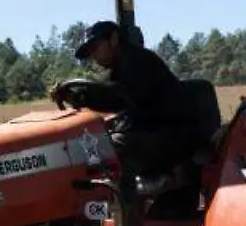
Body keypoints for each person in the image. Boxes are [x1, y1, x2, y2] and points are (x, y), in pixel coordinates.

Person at [53, 20, 201, 183]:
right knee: (91, 145)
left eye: (95, 48)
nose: (94, 57)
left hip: (172, 133)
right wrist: (77, 97)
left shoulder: (138, 61)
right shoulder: (120, 69)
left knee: (106, 150)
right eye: (91, 53)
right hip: (151, 130)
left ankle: (124, 204)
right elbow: (113, 95)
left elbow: (117, 96)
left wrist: (82, 97)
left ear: (114, 39)